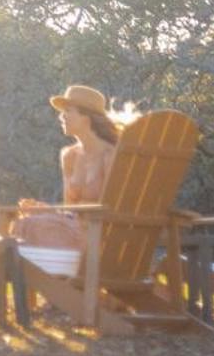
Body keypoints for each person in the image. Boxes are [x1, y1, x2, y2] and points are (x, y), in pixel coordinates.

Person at [11, 83, 128, 253]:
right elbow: (70, 212)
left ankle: (35, 276)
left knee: (31, 225)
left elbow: (114, 209)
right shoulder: (69, 156)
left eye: (68, 111)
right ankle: (29, 277)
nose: (61, 117)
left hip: (100, 238)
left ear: (86, 117)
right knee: (25, 221)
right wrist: (45, 209)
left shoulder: (109, 155)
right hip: (74, 230)